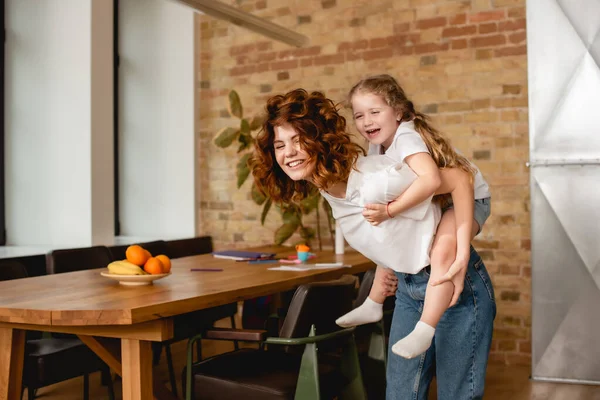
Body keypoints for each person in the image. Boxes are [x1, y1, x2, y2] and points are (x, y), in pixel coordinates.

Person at [250, 88, 496, 399]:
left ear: (320, 142)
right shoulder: (328, 186)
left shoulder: (374, 180)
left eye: (299, 140)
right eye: (280, 145)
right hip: (409, 287)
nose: (289, 152)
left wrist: (459, 253)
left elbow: (460, 178)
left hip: (455, 285)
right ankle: (374, 304)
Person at [335, 74, 492, 360]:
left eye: (375, 112)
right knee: (391, 233)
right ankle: (374, 301)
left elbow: (432, 180)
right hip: (438, 199)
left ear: (398, 112)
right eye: (359, 115)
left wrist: (390, 210)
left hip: (467, 198)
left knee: (441, 249)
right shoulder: (378, 144)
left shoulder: (406, 136)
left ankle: (426, 327)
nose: (366, 121)